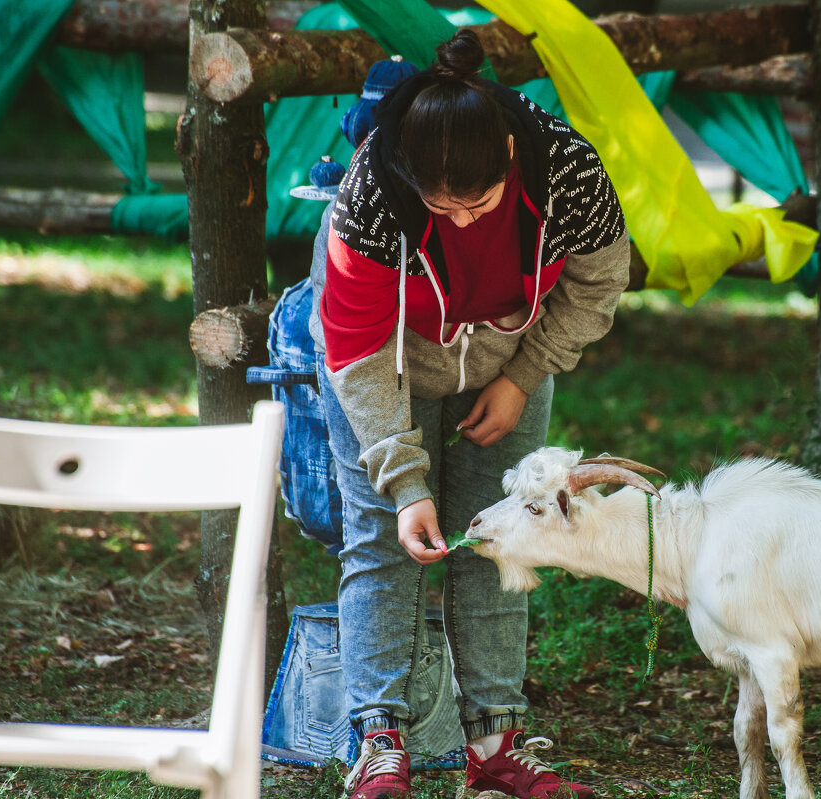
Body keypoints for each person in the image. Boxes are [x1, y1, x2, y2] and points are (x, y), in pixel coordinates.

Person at [308, 29, 631, 799]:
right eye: (437, 204)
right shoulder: (375, 188)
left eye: (475, 203)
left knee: (500, 538)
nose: (454, 220)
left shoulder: (568, 172)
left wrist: (523, 375)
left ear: (510, 166)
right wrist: (403, 477)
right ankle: (379, 743)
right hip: (385, 363)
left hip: (504, 357)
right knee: (384, 543)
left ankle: (496, 745)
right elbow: (352, 343)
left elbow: (596, 286)